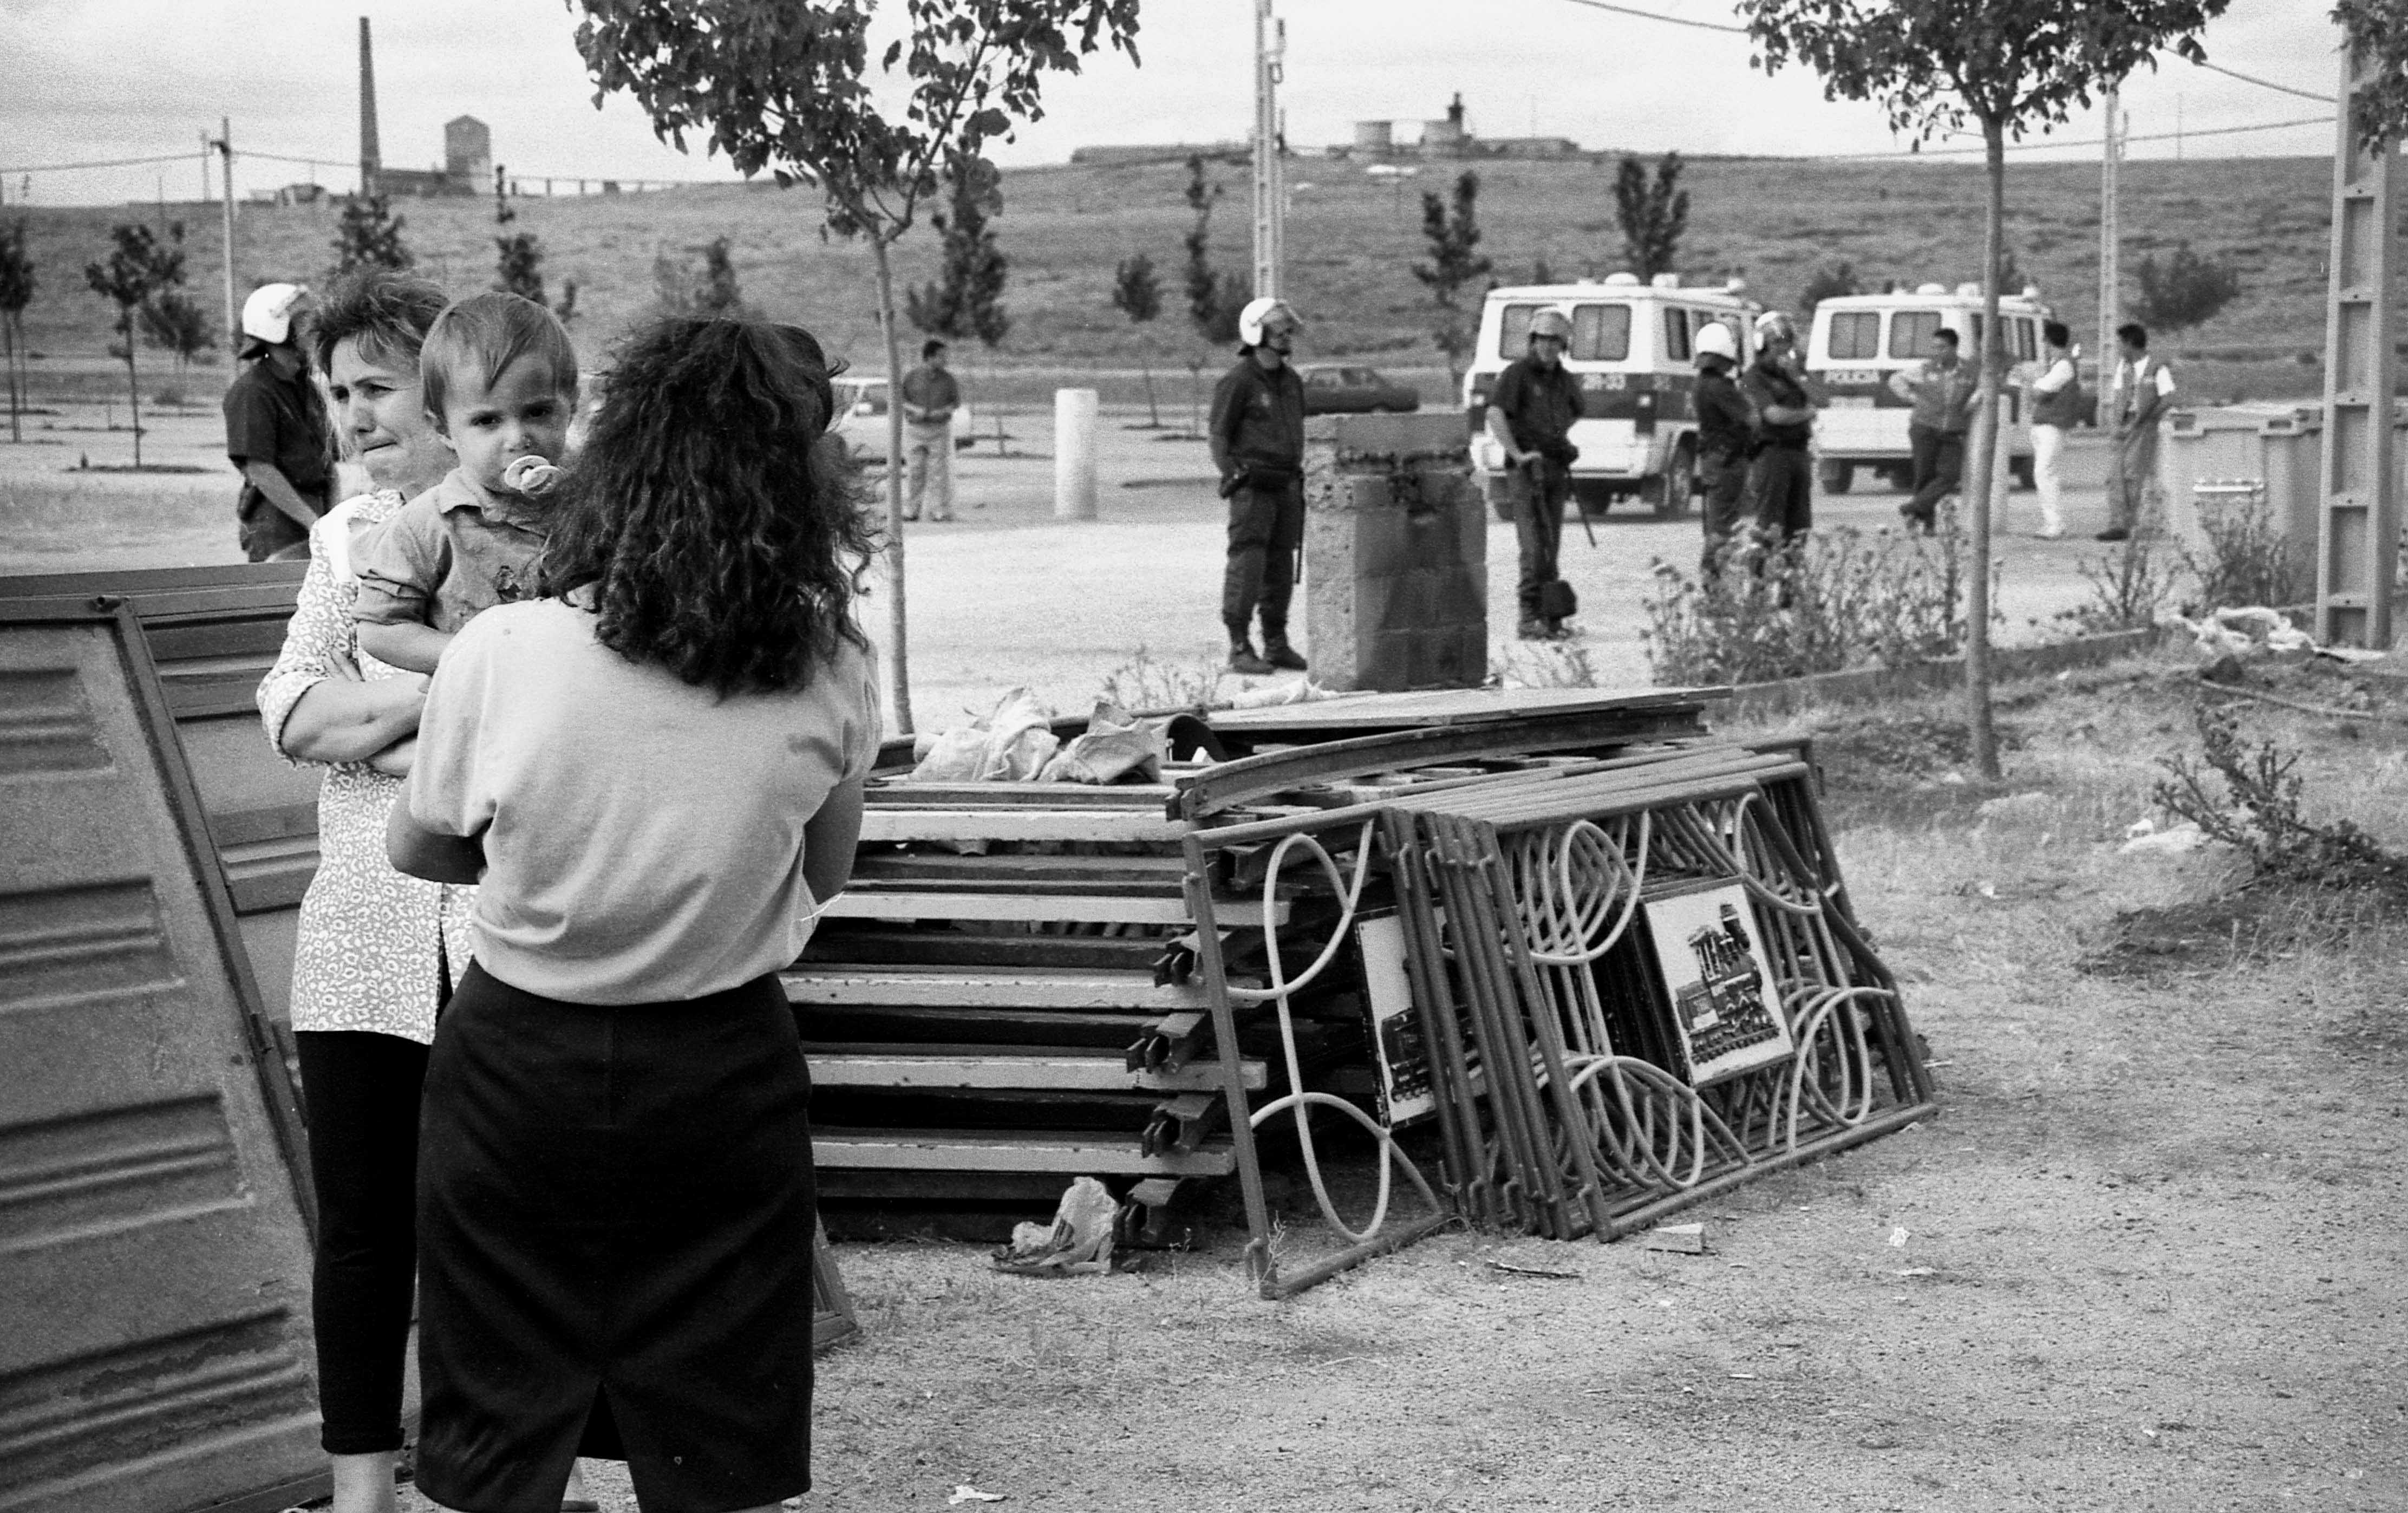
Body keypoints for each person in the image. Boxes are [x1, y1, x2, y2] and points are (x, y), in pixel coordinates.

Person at [389, 317, 881, 1513]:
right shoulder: (827, 663)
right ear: (801, 491)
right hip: (720, 1075)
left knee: (504, 1425)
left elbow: (424, 845)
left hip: (518, 1074)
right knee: (717, 1422)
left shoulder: (502, 650)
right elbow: (827, 866)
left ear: (614, 473)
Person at [254, 270, 599, 1513]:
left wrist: (399, 721)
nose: (350, 415)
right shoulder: (344, 545)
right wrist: (458, 707)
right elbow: (291, 710)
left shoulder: (558, 538)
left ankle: (505, 1485)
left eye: (377, 387)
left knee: (503, 1232)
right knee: (359, 1234)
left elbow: (575, 721)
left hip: (507, 935)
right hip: (359, 930)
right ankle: (364, 1497)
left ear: (452, 395)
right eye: (334, 392)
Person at [352, 291, 579, 675]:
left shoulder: (595, 504)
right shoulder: (431, 522)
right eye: (488, 421)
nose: (517, 438)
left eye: (538, 412)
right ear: (442, 428)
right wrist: (478, 657)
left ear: (570, 405)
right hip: (481, 715)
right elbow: (380, 629)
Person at [1210, 297, 1309, 673]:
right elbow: (1219, 436)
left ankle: (1276, 643)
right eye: (1279, 329)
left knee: (1281, 566)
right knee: (1247, 564)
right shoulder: (1238, 382)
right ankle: (1239, 646)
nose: (1286, 336)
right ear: (1257, 333)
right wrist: (1235, 476)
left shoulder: (1292, 381)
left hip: (1286, 485)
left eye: (1287, 329)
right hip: (1253, 486)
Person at [1485, 305, 1584, 640]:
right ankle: (1529, 617)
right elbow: (1496, 414)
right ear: (1532, 341)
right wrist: (1517, 453)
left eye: (1554, 341)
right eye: (1541, 340)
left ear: (1563, 345)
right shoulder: (1517, 375)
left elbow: (1576, 410)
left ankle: (1552, 616)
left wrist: (1557, 441)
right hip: (1526, 473)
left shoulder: (1564, 381)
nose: (1547, 347)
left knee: (1551, 544)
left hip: (1555, 472)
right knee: (1532, 546)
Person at [224, 281, 335, 561]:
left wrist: (330, 520)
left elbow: (326, 461)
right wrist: (314, 523)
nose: (310, 332)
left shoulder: (305, 386)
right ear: (277, 332)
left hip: (314, 515)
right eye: (301, 325)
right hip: (277, 523)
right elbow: (261, 470)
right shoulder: (252, 391)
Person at [1891, 327, 1978, 533]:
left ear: (1954, 348)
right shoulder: (1925, 369)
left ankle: (1913, 508)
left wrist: (1972, 404)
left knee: (1950, 475)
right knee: (1924, 474)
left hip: (1953, 430)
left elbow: (1981, 391)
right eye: (1934, 348)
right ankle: (1927, 523)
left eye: (1941, 348)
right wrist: (1913, 399)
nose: (1936, 352)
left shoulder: (1969, 372)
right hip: (1924, 427)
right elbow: (1896, 380)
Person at [1741, 310, 1817, 543]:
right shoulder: (1755, 378)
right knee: (1770, 524)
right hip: (1772, 454)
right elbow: (1773, 415)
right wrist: (1805, 414)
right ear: (1763, 345)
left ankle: (1790, 575)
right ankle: (1761, 575)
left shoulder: (1792, 376)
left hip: (1799, 452)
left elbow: (1819, 399)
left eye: (1787, 342)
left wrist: (1796, 376)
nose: (1784, 349)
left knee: (1800, 526)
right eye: (1777, 343)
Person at [2102, 320, 2176, 543]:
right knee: (2115, 476)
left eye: (2121, 344)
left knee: (2134, 475)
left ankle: (2131, 522)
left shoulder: (2156, 368)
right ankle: (2117, 523)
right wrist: (2115, 424)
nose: (2119, 350)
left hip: (2143, 425)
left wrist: (2150, 416)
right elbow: (2118, 396)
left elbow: (2169, 397)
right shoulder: (2123, 368)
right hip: (2123, 423)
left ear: (2130, 344)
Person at [1690, 320, 1753, 572]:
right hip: (1727, 460)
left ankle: (1714, 581)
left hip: (1713, 459)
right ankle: (1714, 583)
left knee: (1716, 522)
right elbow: (1751, 418)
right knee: (1723, 526)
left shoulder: (1702, 384)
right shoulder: (1721, 388)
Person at [2027, 320, 2081, 539]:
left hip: (2054, 425)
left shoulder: (2063, 366)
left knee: (2045, 472)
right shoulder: (2057, 364)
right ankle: (2052, 522)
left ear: (2047, 341)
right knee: (2046, 473)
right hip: (2046, 425)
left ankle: (2055, 524)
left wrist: (2033, 386)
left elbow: (2040, 391)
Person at [899, 336, 960, 521]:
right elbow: (901, 400)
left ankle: (939, 510)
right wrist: (914, 409)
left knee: (938, 472)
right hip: (915, 430)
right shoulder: (912, 377)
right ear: (930, 357)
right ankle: (911, 510)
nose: (945, 361)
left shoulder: (949, 380)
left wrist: (942, 411)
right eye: (941, 357)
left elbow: (955, 402)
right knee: (915, 471)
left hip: (938, 430)